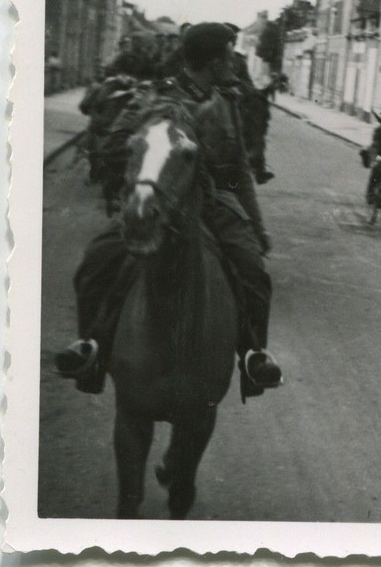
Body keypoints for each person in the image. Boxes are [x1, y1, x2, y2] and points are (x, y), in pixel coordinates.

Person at [56, 23, 283, 400]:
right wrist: (144, 157)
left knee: (253, 273)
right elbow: (112, 145)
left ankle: (252, 355)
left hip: (212, 205)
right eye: (228, 56)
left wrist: (257, 228)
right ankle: (91, 348)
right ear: (213, 62)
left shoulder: (226, 102)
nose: (232, 64)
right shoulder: (154, 96)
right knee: (96, 263)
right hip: (159, 201)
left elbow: (240, 171)